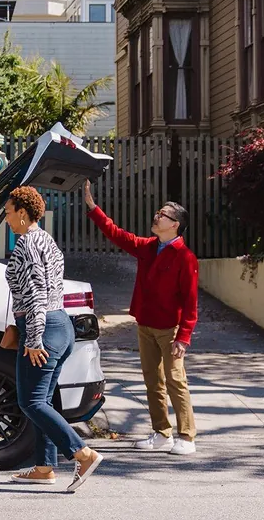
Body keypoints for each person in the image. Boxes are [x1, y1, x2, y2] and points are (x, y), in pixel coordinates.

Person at [84, 181, 199, 455]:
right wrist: (92, 207)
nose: (157, 216)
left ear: (175, 224)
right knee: (152, 380)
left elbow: (191, 302)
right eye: (159, 212)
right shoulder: (149, 247)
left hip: (170, 328)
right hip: (145, 324)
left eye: (163, 214)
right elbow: (117, 234)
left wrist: (184, 336)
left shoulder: (185, 257)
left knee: (175, 380)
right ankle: (162, 433)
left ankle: (187, 436)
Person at [4, 186, 105, 492]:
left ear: (23, 213)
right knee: (43, 400)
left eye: (8, 212)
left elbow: (35, 293)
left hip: (43, 328)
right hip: (61, 325)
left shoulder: (27, 244)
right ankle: (45, 467)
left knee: (31, 401)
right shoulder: (46, 239)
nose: (6, 218)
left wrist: (33, 338)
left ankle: (83, 453)